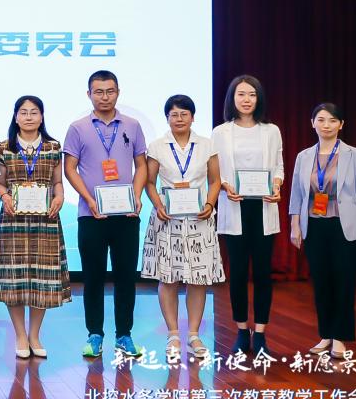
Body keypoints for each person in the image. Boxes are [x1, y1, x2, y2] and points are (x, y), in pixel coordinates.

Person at [64, 70, 147, 359]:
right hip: (91, 215)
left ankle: (124, 334)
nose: (104, 97)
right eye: (98, 92)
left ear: (118, 92)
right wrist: (89, 200)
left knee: (126, 276)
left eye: (110, 91)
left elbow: (141, 165)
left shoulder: (132, 125)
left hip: (126, 215)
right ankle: (95, 334)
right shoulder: (78, 128)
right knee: (93, 276)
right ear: (89, 94)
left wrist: (136, 196)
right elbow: (70, 168)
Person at [289, 103, 356, 360]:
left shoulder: (355, 155)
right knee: (321, 282)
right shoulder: (304, 156)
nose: (326, 125)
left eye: (332, 120)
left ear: (341, 124)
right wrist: (295, 225)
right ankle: (325, 334)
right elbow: (296, 194)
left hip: (344, 225)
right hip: (314, 225)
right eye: (321, 119)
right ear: (312, 123)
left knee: (344, 281)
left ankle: (339, 337)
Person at [141, 95, 224, 360]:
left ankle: (194, 335)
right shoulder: (157, 146)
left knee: (198, 279)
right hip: (168, 219)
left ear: (192, 117)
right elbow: (150, 182)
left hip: (199, 219)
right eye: (174, 114)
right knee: (168, 278)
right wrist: (158, 205)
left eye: (184, 114)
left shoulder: (207, 144)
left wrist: (210, 204)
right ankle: (173, 334)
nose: (179, 119)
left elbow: (215, 180)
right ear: (167, 118)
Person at [0, 95, 70, 359]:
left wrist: (59, 197)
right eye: (23, 112)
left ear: (42, 116)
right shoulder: (4, 148)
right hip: (13, 220)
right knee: (14, 278)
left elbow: (57, 182)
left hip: (46, 219)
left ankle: (35, 335)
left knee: (42, 279)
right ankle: (20, 335)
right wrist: (4, 196)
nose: (28, 117)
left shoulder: (53, 147)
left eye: (34, 112)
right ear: (16, 117)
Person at [211, 75, 283, 356]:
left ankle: (261, 332)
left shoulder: (271, 130)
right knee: (238, 272)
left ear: (258, 98)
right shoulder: (221, 132)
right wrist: (224, 185)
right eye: (241, 94)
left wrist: (276, 184)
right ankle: (242, 330)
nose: (246, 99)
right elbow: (215, 170)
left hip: (263, 207)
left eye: (252, 94)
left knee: (263, 272)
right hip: (234, 206)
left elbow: (279, 166)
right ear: (232, 98)